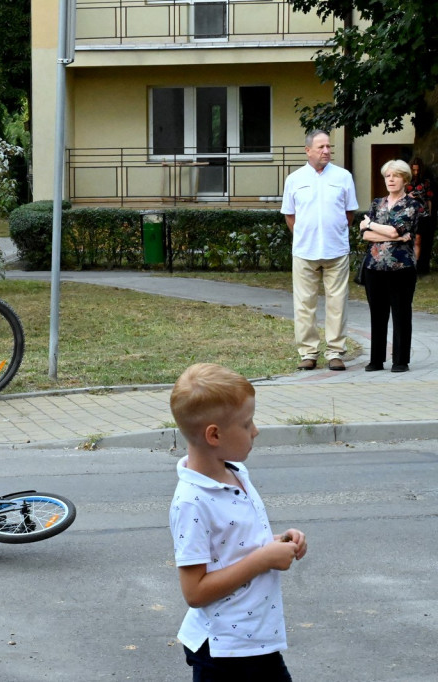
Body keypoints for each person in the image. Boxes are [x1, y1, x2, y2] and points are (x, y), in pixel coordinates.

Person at [168, 363, 308, 681]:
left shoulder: (236, 474)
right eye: (247, 424)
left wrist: (276, 543)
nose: (255, 430)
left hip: (255, 642)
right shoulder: (192, 501)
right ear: (214, 435)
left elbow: (232, 546)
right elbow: (195, 592)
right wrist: (261, 560)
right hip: (224, 652)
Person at [280, 129, 358, 371]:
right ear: (308, 150)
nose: (326, 151)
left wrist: (334, 233)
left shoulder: (343, 176)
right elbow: (289, 216)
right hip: (304, 252)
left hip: (336, 251)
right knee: (304, 304)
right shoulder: (294, 179)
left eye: (328, 147)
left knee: (338, 303)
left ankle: (335, 352)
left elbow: (350, 213)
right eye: (321, 147)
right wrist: (305, 236)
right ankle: (308, 353)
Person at [359, 159, 423, 373]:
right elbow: (366, 235)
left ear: (405, 179)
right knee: (377, 314)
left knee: (401, 313)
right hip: (373, 267)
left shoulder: (412, 205)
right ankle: (376, 360)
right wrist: (386, 233)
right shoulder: (377, 203)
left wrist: (372, 225)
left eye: (396, 175)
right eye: (388, 176)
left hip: (402, 268)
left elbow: (396, 230)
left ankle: (400, 361)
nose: (391, 179)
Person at [408, 157, 433, 275]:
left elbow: (429, 199)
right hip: (408, 214)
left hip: (423, 214)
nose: (416, 172)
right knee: (409, 240)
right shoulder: (406, 181)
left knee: (419, 240)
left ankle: (417, 266)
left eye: (418, 170)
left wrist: (430, 214)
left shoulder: (426, 182)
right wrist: (408, 196)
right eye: (414, 170)